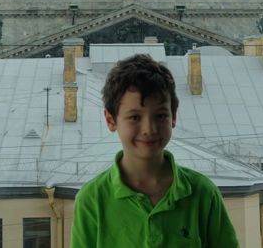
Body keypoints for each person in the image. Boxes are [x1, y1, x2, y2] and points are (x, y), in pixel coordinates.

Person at [71, 54, 239, 247]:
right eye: (134, 117)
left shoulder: (202, 193)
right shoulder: (92, 199)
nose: (149, 129)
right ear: (111, 120)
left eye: (160, 115)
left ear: (174, 117)